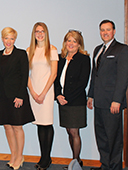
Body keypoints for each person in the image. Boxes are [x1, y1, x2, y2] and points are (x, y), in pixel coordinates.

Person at [0, 27, 35, 170]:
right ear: (2, 39)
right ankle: (13, 155)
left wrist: (20, 95)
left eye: (11, 38)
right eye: (6, 38)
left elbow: (24, 76)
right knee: (7, 126)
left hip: (17, 96)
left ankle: (19, 156)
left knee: (17, 127)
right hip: (2, 96)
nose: (8, 41)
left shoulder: (21, 54)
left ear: (14, 39)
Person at [87, 20, 128, 170]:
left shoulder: (122, 49)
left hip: (112, 103)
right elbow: (94, 75)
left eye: (108, 30)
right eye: (102, 30)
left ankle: (115, 167)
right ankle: (105, 166)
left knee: (114, 139)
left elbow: (123, 77)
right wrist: (90, 96)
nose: (105, 32)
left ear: (114, 31)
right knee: (102, 137)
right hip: (99, 101)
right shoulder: (98, 49)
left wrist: (117, 100)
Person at [54, 30, 91, 169]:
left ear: (79, 44)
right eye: (69, 40)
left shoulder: (83, 59)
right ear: (65, 42)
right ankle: (76, 161)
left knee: (74, 132)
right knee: (69, 130)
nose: (71, 43)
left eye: (74, 41)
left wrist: (66, 98)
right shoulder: (60, 58)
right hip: (62, 101)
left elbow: (83, 82)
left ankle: (75, 163)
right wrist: (58, 95)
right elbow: (56, 79)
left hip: (75, 102)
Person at [27, 22, 58, 170]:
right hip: (34, 92)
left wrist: (43, 93)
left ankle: (47, 158)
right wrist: (33, 92)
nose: (39, 34)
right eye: (37, 32)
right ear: (33, 34)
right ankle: (43, 156)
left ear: (46, 33)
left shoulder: (52, 50)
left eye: (42, 31)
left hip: (47, 92)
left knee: (47, 124)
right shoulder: (29, 51)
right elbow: (26, 74)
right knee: (39, 124)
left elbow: (54, 74)